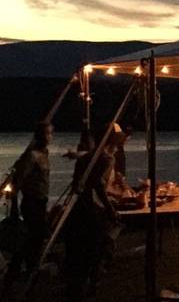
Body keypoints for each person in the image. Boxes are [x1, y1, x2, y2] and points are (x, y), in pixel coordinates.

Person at [64, 124, 120, 302]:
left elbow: (77, 185)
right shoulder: (107, 159)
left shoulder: (85, 158)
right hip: (93, 213)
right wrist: (110, 208)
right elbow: (97, 184)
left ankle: (77, 291)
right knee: (98, 250)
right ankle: (91, 290)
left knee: (79, 257)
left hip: (78, 210)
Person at [1, 122, 53, 294]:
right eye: (48, 133)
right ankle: (19, 274)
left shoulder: (45, 154)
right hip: (31, 203)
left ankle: (26, 272)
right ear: (41, 136)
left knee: (35, 240)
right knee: (32, 240)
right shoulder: (32, 157)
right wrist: (14, 202)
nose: (50, 137)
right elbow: (20, 179)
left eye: (51, 133)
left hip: (41, 201)